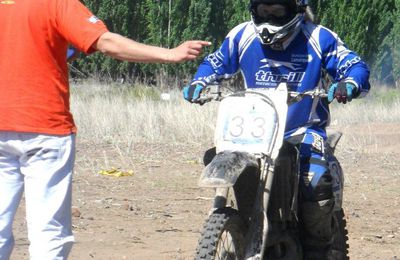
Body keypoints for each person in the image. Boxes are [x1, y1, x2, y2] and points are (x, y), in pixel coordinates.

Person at [0, 0, 210, 259]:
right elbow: (107, 43)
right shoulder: (57, 3)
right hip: (46, 128)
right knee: (49, 231)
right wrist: (169, 53)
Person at [183, 0, 370, 259]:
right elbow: (215, 63)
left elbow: (355, 65)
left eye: (277, 11)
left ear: (296, 10)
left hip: (302, 130)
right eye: (263, 10)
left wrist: (349, 82)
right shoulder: (242, 35)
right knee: (215, 154)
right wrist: (200, 81)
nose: (269, 17)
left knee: (315, 181)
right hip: (253, 132)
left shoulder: (318, 37)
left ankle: (318, 250)